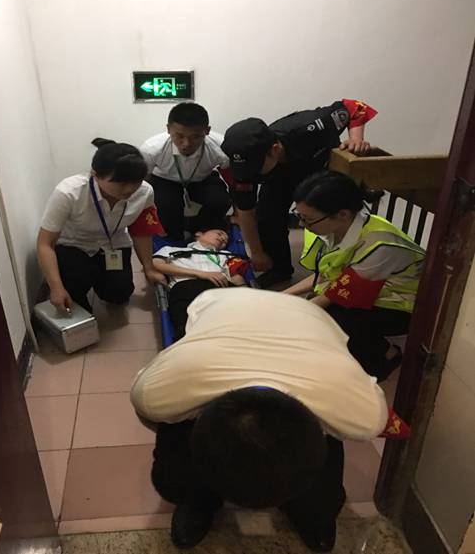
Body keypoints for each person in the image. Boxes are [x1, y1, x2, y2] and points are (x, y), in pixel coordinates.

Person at [131, 288, 392, 552]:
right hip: (222, 308)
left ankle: (309, 511)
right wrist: (195, 428)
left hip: (306, 317)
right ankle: (199, 501)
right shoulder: (162, 391)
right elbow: (157, 420)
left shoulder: (361, 413)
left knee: (321, 505)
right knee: (174, 479)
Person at [283, 171, 425, 381]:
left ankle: (387, 356)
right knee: (313, 309)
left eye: (308, 219)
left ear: (343, 214)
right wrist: (282, 296)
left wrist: (289, 311)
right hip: (370, 289)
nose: (303, 225)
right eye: (300, 216)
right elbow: (325, 275)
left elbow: (335, 294)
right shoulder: (333, 229)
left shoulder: (379, 244)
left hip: (406, 305)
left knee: (333, 317)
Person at [221, 98, 377, 289]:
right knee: (267, 217)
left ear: (274, 150)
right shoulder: (244, 169)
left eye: (254, 167)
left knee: (325, 215)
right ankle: (280, 270)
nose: (248, 174)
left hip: (318, 169)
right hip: (277, 177)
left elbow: (354, 107)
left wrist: (356, 139)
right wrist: (257, 253)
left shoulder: (310, 126)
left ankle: (340, 265)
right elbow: (245, 211)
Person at [37, 139, 166, 313]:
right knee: (74, 294)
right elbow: (45, 243)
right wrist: (55, 288)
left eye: (136, 182)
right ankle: (79, 283)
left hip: (113, 244)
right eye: (121, 183)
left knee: (120, 293)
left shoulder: (145, 192)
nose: (129, 189)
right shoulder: (69, 193)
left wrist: (148, 268)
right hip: (74, 246)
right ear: (95, 175)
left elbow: (141, 232)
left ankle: (97, 277)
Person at [140, 103, 232, 242]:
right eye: (179, 136)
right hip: (165, 179)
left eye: (195, 137)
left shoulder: (222, 146)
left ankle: (200, 232)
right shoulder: (151, 148)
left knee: (220, 200)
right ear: (168, 129)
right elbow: (143, 182)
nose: (186, 144)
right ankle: (175, 237)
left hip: (203, 178)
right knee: (167, 205)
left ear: (207, 131)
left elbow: (231, 177)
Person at [152, 227, 248, 340]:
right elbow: (156, 263)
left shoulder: (227, 255)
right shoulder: (171, 250)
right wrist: (200, 274)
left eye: (226, 240)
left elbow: (237, 278)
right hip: (187, 288)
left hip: (220, 289)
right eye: (219, 233)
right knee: (188, 329)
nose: (223, 238)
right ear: (199, 234)